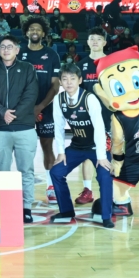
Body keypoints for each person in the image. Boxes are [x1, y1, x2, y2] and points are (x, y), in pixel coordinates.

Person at [49, 64, 114, 228]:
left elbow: (99, 128)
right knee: (56, 172)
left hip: (97, 147)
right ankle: (66, 211)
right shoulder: (59, 99)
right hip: (77, 146)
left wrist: (101, 156)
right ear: (60, 82)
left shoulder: (89, 99)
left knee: (105, 175)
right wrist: (61, 152)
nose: (69, 82)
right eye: (65, 79)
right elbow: (58, 127)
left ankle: (106, 216)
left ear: (80, 80)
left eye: (72, 78)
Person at [0, 35, 39, 223]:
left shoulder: (28, 69)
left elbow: (31, 95)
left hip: (24, 127)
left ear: (17, 50)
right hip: (0, 128)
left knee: (26, 170)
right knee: (1, 170)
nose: (6, 49)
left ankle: (26, 208)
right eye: (2, 46)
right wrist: (3, 113)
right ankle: (4, 206)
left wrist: (13, 114)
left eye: (10, 46)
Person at [19, 17, 61, 203]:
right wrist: (28, 108)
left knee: (47, 147)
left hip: (46, 109)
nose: (34, 31)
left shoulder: (52, 55)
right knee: (24, 151)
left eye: (38, 29)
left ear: (44, 33)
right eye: (31, 29)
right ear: (26, 32)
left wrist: (40, 107)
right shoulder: (19, 53)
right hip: (23, 110)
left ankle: (51, 187)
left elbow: (55, 86)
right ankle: (25, 187)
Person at [75, 28, 112, 205]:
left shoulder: (112, 63)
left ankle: (113, 191)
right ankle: (88, 190)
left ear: (104, 42)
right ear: (88, 42)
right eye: (92, 38)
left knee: (111, 154)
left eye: (99, 39)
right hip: (87, 116)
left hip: (109, 115)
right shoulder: (81, 65)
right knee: (88, 154)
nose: (95, 41)